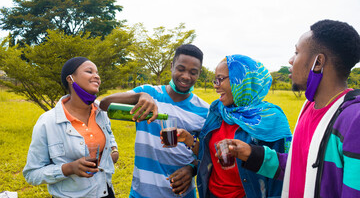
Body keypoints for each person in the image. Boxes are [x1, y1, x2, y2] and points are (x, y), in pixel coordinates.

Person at [225, 19, 360, 198]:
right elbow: (301, 165)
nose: (290, 60)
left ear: (318, 62)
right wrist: (251, 154)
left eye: (296, 52)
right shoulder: (309, 106)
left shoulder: (353, 119)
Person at [99, 44, 210, 198]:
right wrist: (139, 96)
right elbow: (105, 104)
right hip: (141, 193)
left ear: (199, 73)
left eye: (193, 72)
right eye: (181, 69)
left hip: (181, 194)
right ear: (171, 66)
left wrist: (192, 169)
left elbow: (208, 155)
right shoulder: (149, 93)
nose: (186, 76)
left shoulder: (205, 110)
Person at [178, 54, 292, 198]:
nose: (215, 85)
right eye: (215, 79)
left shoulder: (271, 118)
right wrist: (189, 139)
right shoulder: (217, 110)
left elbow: (282, 174)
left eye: (220, 79)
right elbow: (208, 154)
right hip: (211, 193)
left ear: (241, 81)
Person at [23, 57, 119, 198]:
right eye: (89, 71)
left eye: (97, 73)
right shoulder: (48, 122)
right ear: (70, 78)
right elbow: (31, 174)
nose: (97, 76)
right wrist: (68, 168)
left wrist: (114, 150)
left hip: (106, 193)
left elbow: (110, 138)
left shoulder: (101, 112)